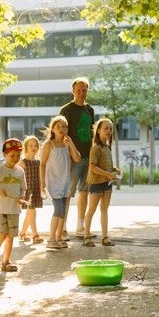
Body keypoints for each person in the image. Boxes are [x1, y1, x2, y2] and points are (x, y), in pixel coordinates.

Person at [59, 77, 95, 240]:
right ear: (73, 91)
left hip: (89, 156)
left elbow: (92, 132)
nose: (82, 92)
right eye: (79, 89)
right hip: (73, 158)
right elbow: (60, 132)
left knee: (84, 192)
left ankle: (81, 226)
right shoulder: (67, 110)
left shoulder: (90, 109)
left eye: (84, 89)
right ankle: (62, 228)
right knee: (68, 193)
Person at [0, 138, 27, 273]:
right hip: (1, 209)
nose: (15, 158)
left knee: (11, 236)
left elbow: (23, 188)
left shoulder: (20, 171)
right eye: (12, 155)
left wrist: (21, 198)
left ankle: (6, 262)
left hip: (14, 209)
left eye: (18, 155)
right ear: (4, 155)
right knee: (2, 234)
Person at [40, 115, 81, 249]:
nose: (61, 129)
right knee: (58, 209)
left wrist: (71, 144)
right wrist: (42, 183)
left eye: (64, 126)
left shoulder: (67, 143)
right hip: (53, 182)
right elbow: (42, 164)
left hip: (65, 181)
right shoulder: (49, 144)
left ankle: (59, 238)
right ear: (52, 129)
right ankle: (51, 239)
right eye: (58, 126)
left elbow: (77, 159)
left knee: (62, 211)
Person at [83, 117, 122, 247]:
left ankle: (105, 237)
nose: (109, 130)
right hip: (96, 183)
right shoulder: (96, 148)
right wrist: (108, 174)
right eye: (106, 128)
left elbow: (106, 166)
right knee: (92, 209)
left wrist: (115, 170)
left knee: (104, 210)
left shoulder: (107, 147)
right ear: (98, 130)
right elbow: (92, 166)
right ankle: (86, 236)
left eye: (110, 128)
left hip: (107, 183)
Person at [19, 136, 44, 244]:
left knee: (31, 213)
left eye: (36, 145)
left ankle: (22, 233)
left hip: (36, 189)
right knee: (32, 212)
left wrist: (42, 187)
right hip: (27, 191)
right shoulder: (22, 162)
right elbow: (17, 177)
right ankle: (35, 235)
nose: (34, 147)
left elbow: (40, 177)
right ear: (26, 148)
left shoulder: (38, 162)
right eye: (31, 145)